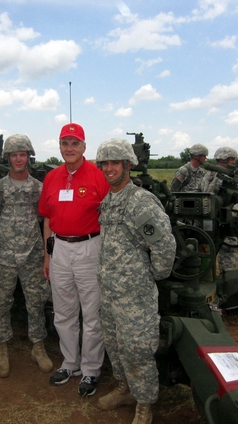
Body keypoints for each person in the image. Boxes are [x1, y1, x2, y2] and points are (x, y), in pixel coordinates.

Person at [94, 139, 176, 424]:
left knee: (137, 349)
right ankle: (125, 388)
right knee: (115, 345)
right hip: (110, 292)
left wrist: (150, 277)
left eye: (115, 163)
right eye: (105, 163)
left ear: (127, 165)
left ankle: (144, 404)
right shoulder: (109, 199)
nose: (109, 168)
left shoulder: (139, 201)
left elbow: (164, 246)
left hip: (135, 296)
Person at [38, 123, 110, 397]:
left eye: (75, 143)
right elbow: (47, 218)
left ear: (84, 146)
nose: (69, 148)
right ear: (59, 147)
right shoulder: (52, 177)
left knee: (92, 313)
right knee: (64, 311)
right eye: (65, 143)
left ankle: (91, 369)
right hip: (59, 248)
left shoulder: (98, 176)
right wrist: (48, 255)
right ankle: (71, 363)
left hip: (89, 247)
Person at [0, 134, 53, 378]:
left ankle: (38, 347)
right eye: (14, 155)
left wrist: (42, 252)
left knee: (36, 302)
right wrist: (2, 244)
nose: (19, 159)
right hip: (4, 257)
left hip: (32, 255)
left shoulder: (38, 188)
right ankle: (2, 348)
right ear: (8, 158)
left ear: (28, 157)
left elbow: (46, 221)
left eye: (23, 154)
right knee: (1, 301)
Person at [199, 146, 238, 273]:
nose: (234, 162)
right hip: (224, 220)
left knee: (206, 252)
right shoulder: (226, 178)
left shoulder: (207, 176)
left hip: (209, 221)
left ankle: (207, 277)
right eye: (232, 159)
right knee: (228, 252)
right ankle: (225, 281)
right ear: (225, 159)